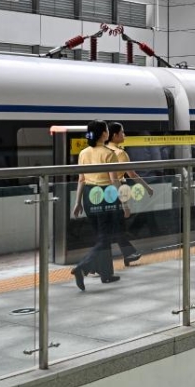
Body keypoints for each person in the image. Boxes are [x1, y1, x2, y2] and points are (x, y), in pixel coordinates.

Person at [71, 120, 122, 291]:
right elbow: (114, 180)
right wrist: (123, 200)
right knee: (105, 236)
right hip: (105, 194)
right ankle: (83, 267)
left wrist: (77, 202)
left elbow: (81, 179)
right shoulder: (109, 153)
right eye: (107, 130)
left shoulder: (84, 153)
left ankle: (106, 274)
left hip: (88, 195)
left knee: (101, 236)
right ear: (104, 134)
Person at [105, 122, 150, 266]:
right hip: (116, 191)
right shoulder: (120, 153)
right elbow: (132, 174)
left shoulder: (102, 150)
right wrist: (146, 187)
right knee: (117, 226)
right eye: (122, 132)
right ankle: (127, 253)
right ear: (115, 135)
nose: (125, 135)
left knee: (109, 228)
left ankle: (126, 254)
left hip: (101, 191)